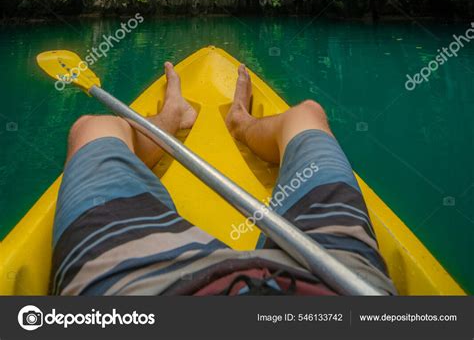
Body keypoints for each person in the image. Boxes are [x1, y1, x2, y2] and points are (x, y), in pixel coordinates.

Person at [51, 63, 396, 296]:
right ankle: (240, 123)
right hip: (334, 275)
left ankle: (175, 119)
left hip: (145, 286)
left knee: (92, 128)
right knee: (307, 114)